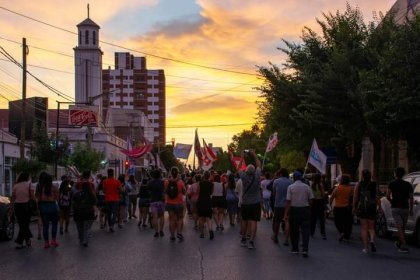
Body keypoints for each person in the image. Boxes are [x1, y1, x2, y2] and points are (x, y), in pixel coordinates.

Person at [284, 171, 313, 257]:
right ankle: (305, 249)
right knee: (305, 231)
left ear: (294, 178)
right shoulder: (307, 187)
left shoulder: (290, 187)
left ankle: (295, 249)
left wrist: (286, 213)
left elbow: (288, 201)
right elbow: (311, 200)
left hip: (294, 210)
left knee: (294, 230)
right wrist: (309, 207)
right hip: (305, 210)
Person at [238, 150, 262, 250]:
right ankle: (251, 240)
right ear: (254, 171)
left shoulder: (243, 177)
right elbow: (259, 165)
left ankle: (243, 238)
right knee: (254, 222)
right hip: (255, 203)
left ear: (246, 170)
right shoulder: (257, 176)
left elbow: (238, 168)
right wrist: (254, 155)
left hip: (245, 202)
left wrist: (242, 157)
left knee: (244, 221)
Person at [387, 167, 413, 253]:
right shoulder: (408, 185)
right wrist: (411, 208)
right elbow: (411, 198)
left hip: (395, 207)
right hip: (405, 208)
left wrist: (391, 201)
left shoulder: (391, 184)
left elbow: (387, 195)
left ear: (395, 174)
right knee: (403, 227)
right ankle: (400, 243)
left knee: (399, 227)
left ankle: (403, 245)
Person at [353, 169, 379, 253]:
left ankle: (365, 247)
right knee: (371, 227)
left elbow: (356, 197)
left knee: (364, 227)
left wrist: (354, 207)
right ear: (370, 176)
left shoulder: (359, 184)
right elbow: (376, 197)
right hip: (372, 207)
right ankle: (372, 240)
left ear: (362, 176)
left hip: (363, 207)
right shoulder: (374, 184)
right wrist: (380, 207)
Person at [10, 172, 35, 249]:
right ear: (27, 177)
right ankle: (20, 241)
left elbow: (13, 198)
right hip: (26, 206)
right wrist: (37, 202)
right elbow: (32, 196)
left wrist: (11, 208)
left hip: (17, 206)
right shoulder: (30, 185)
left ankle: (27, 240)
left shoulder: (16, 186)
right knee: (25, 224)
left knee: (22, 224)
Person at [73, 171, 97, 247]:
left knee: (80, 226)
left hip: (78, 211)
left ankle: (81, 238)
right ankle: (85, 240)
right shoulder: (92, 186)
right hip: (88, 211)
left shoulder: (77, 186)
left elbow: (73, 199)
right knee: (87, 227)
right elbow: (94, 201)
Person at [36, 172, 60, 248]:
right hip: (53, 206)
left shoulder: (41, 188)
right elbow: (57, 198)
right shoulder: (54, 187)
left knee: (45, 225)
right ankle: (53, 240)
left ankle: (46, 242)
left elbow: (38, 198)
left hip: (44, 207)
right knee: (54, 224)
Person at [164, 167, 186, 242]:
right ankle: (179, 232)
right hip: (179, 203)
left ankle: (172, 236)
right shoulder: (180, 182)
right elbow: (184, 192)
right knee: (180, 218)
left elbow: (165, 191)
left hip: (169, 203)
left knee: (171, 219)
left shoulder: (167, 182)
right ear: (177, 173)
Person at [272, 168, 293, 245]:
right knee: (287, 221)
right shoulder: (291, 182)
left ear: (280, 174)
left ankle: (275, 237)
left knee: (277, 221)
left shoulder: (276, 181)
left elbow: (274, 192)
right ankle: (286, 240)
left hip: (278, 205)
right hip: (287, 205)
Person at [330, 174, 353, 242]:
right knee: (347, 222)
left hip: (338, 208)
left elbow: (332, 197)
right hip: (347, 208)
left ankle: (341, 232)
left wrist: (330, 204)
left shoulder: (337, 188)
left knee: (337, 222)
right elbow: (352, 198)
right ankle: (346, 235)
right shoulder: (350, 188)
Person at [196, 171, 214, 240]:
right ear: (209, 176)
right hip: (208, 201)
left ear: (203, 176)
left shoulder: (200, 183)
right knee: (208, 218)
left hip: (201, 201)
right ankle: (210, 230)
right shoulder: (212, 184)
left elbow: (198, 192)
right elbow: (211, 192)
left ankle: (202, 233)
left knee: (201, 218)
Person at [149, 169, 165, 237]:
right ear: (159, 175)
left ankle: (156, 232)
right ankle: (161, 230)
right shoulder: (162, 182)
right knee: (161, 216)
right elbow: (164, 191)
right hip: (161, 201)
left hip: (153, 201)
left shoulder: (150, 182)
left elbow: (149, 192)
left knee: (154, 217)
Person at [310, 173, 326, 239]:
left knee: (313, 218)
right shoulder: (320, 185)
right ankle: (323, 233)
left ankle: (312, 232)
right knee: (321, 219)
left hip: (313, 202)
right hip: (320, 202)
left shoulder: (311, 185)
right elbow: (323, 194)